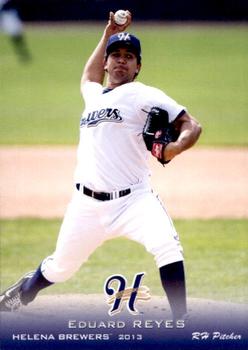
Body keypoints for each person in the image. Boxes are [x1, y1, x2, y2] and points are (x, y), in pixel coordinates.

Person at [0, 11, 201, 320]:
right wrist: (108, 33)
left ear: (138, 66)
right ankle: (22, 293)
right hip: (86, 205)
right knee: (60, 268)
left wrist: (173, 149)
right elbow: (88, 77)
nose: (121, 60)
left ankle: (181, 321)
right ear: (107, 63)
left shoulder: (144, 94)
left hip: (135, 200)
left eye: (129, 56)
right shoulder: (93, 95)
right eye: (115, 55)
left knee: (167, 247)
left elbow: (192, 125)